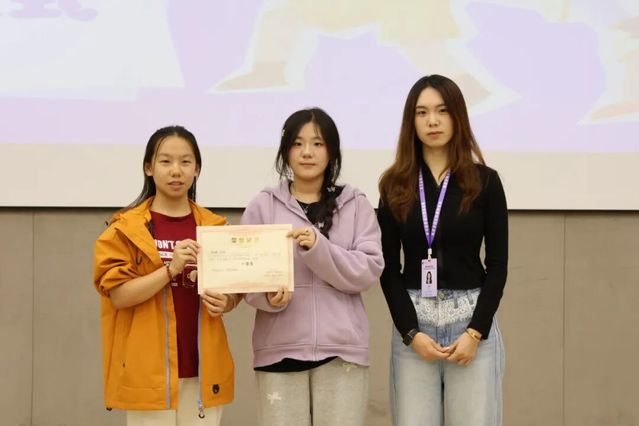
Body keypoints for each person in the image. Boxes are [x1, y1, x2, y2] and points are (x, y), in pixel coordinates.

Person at [377, 75, 508, 426]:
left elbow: (498, 265)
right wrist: (411, 333)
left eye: (442, 111)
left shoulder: (486, 182)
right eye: (422, 112)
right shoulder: (394, 185)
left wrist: (475, 332)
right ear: (411, 121)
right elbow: (388, 268)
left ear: (457, 116)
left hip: (471, 326)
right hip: (414, 330)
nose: (432, 121)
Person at [240, 108, 384, 426]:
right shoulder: (262, 206)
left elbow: (368, 269)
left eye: (317, 143)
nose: (307, 152)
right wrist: (268, 297)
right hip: (279, 351)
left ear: (331, 151)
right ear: (285, 151)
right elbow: (247, 276)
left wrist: (319, 248)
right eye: (298, 143)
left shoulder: (355, 204)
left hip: (342, 353)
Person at [93, 125, 240, 426]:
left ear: (197, 169)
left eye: (185, 162)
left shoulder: (215, 227)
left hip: (203, 373)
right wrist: (170, 270)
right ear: (149, 168)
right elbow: (119, 295)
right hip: (149, 376)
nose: (176, 170)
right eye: (166, 161)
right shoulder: (125, 229)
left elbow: (234, 291)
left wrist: (227, 302)